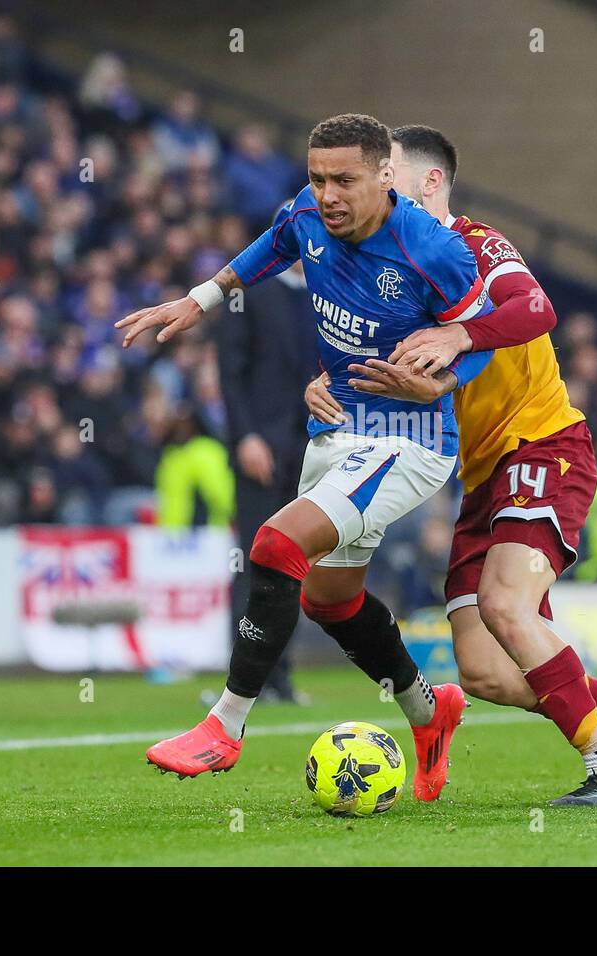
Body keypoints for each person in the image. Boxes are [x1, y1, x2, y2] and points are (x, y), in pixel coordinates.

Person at [306, 126, 597, 806]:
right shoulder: (392, 270)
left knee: (504, 606)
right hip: (482, 478)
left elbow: (537, 308)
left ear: (428, 185)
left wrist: (461, 332)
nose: (371, 192)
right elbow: (370, 361)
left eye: (384, 176)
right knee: (482, 669)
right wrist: (325, 384)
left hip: (542, 446)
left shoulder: (476, 246)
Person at [117, 114, 493, 798]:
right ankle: (429, 711)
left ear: (386, 174)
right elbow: (271, 244)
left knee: (274, 545)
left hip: (407, 439)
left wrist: (440, 378)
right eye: (318, 178)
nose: (328, 194)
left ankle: (223, 726)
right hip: (336, 428)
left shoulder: (432, 249)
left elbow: (484, 334)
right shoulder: (307, 212)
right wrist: (200, 300)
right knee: (330, 601)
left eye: (344, 179)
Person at [214, 256, 319, 702]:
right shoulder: (249, 295)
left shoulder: (324, 295)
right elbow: (230, 375)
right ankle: (241, 680)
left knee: (293, 563)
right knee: (253, 560)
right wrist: (245, 436)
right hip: (262, 447)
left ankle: (282, 676)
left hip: (311, 445)